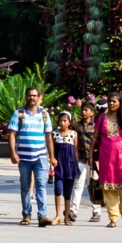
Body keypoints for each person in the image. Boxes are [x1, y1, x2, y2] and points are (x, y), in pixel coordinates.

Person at [8, 85, 53, 226]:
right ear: (26, 97)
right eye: (29, 95)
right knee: (25, 186)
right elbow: (12, 134)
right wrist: (13, 153)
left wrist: (52, 156)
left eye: (34, 95)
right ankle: (26, 215)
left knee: (41, 185)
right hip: (24, 157)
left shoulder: (44, 114)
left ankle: (42, 215)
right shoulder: (19, 113)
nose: (32, 98)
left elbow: (49, 136)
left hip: (40, 156)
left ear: (39, 97)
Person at [94, 98, 122, 226]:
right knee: (108, 188)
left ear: (120, 103)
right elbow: (95, 137)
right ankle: (113, 218)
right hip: (106, 157)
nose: (111, 103)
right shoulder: (102, 118)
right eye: (110, 101)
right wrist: (91, 156)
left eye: (114, 101)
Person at [51, 111, 83, 224]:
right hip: (59, 165)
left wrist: (76, 163)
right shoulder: (54, 134)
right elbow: (52, 149)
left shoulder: (73, 134)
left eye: (65, 120)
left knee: (68, 192)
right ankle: (58, 215)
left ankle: (67, 217)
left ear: (69, 122)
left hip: (70, 165)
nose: (62, 123)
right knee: (58, 189)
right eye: (60, 120)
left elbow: (75, 150)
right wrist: (51, 160)